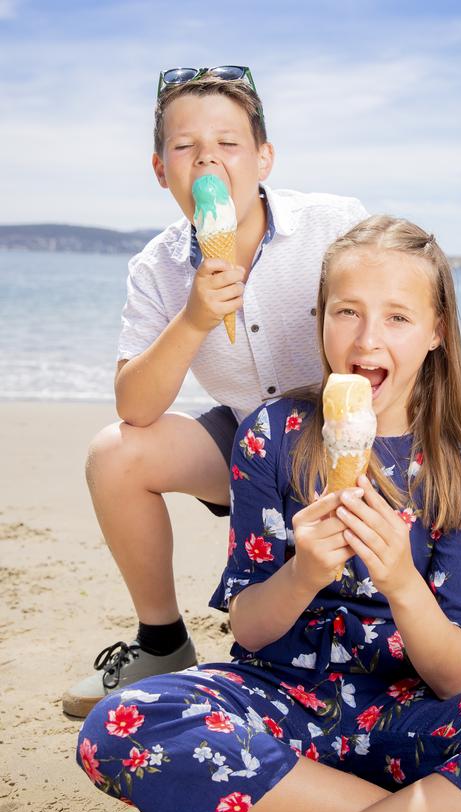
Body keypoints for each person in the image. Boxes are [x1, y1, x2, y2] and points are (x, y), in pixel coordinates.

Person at [76, 216, 461, 812]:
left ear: (437, 332)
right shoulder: (274, 434)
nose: (367, 336)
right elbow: (251, 630)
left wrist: (403, 582)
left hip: (419, 718)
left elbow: (454, 673)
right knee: (119, 728)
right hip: (282, 705)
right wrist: (303, 575)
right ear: (321, 318)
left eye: (398, 318)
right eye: (347, 311)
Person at [63, 66, 367, 717]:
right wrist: (194, 317)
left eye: (228, 142)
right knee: (114, 453)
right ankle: (163, 643)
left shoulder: (334, 224)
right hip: (244, 443)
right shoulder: (158, 266)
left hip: (346, 436)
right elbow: (136, 406)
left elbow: (401, 321)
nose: (206, 156)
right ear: (158, 168)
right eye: (185, 145)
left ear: (264, 157)